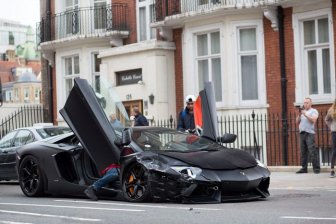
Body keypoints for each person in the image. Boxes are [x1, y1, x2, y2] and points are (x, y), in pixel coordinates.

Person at [296, 97, 320, 174]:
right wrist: (299, 115)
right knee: (303, 152)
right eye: (304, 102)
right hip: (302, 133)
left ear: (310, 103)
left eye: (307, 102)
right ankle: (304, 168)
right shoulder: (302, 112)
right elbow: (297, 122)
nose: (305, 104)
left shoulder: (314, 111)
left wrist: (305, 114)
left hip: (309, 133)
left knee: (312, 151)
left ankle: (316, 168)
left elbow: (313, 120)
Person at [325, 98, 336, 178]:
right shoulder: (331, 110)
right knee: (334, 151)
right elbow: (326, 120)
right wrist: (331, 127)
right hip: (334, 132)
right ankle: (332, 170)